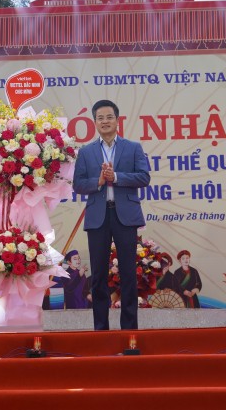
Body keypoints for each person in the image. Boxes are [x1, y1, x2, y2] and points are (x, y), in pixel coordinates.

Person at [73, 100, 151, 330]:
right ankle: (101, 329)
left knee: (128, 273)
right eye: (100, 118)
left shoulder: (133, 148)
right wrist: (97, 181)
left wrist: (115, 177)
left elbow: (144, 177)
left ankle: (129, 330)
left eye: (109, 117)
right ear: (94, 122)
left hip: (125, 216)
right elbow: (78, 184)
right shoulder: (86, 152)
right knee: (98, 275)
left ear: (117, 120)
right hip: (98, 217)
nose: (105, 121)